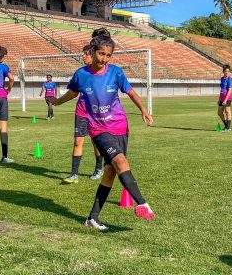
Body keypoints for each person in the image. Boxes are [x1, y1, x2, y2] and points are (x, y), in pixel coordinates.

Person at [54, 28, 156, 231]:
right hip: (98, 129)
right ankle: (143, 203)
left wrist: (144, 109)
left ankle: (92, 218)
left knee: (110, 172)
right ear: (92, 52)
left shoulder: (116, 72)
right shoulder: (81, 75)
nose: (104, 59)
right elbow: (72, 93)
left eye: (108, 55)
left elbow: (130, 91)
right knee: (120, 161)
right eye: (101, 54)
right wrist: (57, 101)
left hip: (120, 125)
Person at [62, 44, 105, 183]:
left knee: (96, 143)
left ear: (93, 55)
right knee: (77, 142)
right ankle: (74, 174)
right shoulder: (80, 72)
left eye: (86, 54)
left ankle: (99, 169)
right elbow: (73, 92)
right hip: (82, 112)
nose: (83, 56)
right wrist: (58, 101)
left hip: (97, 115)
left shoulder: (104, 72)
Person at [218, 64, 232, 131]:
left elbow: (229, 90)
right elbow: (221, 89)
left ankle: (228, 127)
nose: (227, 72)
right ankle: (226, 125)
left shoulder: (229, 79)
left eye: (228, 71)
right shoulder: (222, 79)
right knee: (219, 112)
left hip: (228, 98)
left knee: (227, 111)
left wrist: (225, 100)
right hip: (221, 98)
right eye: (226, 71)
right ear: (223, 72)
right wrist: (219, 99)